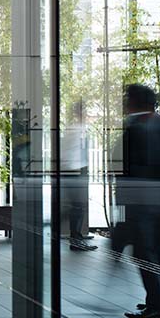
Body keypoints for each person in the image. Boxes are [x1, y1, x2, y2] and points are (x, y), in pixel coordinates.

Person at [116, 84, 160, 318]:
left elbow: (126, 171)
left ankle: (156, 305)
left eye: (127, 99)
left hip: (143, 204)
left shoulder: (136, 128)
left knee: (144, 252)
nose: (125, 104)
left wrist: (123, 206)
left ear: (135, 103)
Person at [61, 101, 97, 251]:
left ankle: (76, 237)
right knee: (78, 206)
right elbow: (72, 152)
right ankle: (75, 240)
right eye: (85, 111)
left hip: (74, 170)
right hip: (75, 170)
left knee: (78, 206)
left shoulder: (74, 128)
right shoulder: (76, 128)